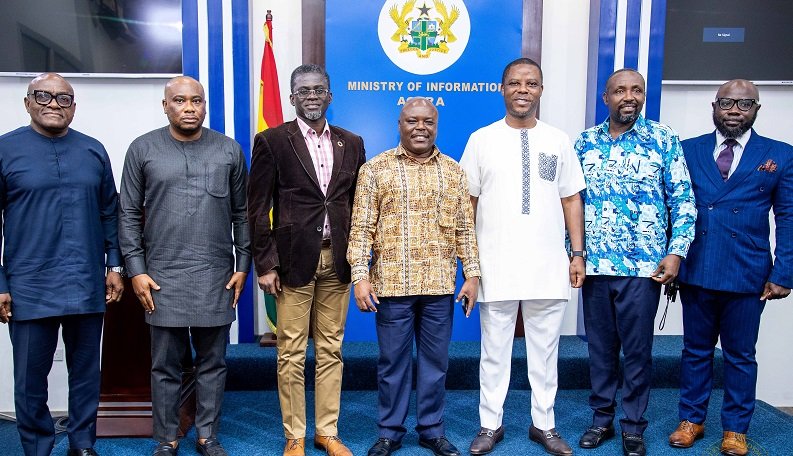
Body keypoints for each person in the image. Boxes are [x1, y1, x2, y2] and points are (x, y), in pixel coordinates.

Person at [459, 57, 585, 456]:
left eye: (531, 83)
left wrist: (577, 254)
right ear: (502, 88)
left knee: (545, 353)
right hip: (495, 264)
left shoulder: (558, 140)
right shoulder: (482, 139)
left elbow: (571, 199)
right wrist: (470, 265)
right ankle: (489, 424)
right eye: (515, 83)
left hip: (548, 264)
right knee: (493, 352)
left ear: (541, 91)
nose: (523, 90)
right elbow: (468, 204)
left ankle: (544, 425)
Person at [118, 76, 250, 456]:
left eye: (196, 101)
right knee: (165, 366)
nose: (189, 108)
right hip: (160, 277)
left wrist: (243, 263)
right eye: (180, 101)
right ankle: (167, 438)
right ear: (165, 106)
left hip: (216, 274)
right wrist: (136, 269)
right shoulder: (142, 149)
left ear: (205, 106)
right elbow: (128, 213)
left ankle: (208, 436)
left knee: (213, 362)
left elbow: (242, 214)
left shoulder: (228, 150)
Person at [347, 97, 481, 456]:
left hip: (439, 285)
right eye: (412, 121)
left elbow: (465, 228)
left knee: (436, 364)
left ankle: (431, 430)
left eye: (428, 122)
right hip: (391, 285)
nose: (420, 128)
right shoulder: (376, 169)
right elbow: (360, 228)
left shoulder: (453, 171)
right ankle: (390, 432)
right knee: (393, 364)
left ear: (436, 125)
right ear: (399, 124)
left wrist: (472, 275)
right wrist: (360, 277)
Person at [574, 69, 696, 456]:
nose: (630, 96)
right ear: (605, 97)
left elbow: (683, 201)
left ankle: (633, 427)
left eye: (637, 90)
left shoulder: (662, 139)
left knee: (638, 351)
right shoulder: (584, 143)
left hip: (644, 269)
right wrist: (572, 254)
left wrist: (676, 251)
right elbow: (570, 204)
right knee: (600, 350)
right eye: (620, 90)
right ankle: (601, 420)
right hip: (595, 267)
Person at [0, 73, 124, 456]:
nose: (54, 104)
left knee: (86, 374)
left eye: (63, 98)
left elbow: (109, 212)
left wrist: (115, 266)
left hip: (87, 281)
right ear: (27, 103)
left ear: (74, 106)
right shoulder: (5, 150)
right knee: (30, 379)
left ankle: (82, 444)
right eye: (43, 96)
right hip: (28, 284)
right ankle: (37, 446)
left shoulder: (93, 150)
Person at [667, 79, 793, 456]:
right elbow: (671, 209)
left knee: (740, 355)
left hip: (748, 273)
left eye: (744, 103)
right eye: (727, 103)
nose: (735, 110)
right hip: (697, 268)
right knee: (695, 350)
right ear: (714, 106)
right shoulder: (688, 150)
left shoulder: (780, 155)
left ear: (756, 109)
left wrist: (783, 272)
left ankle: (735, 429)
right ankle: (691, 419)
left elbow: (788, 217)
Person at [248, 64, 366, 456]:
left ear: (330, 95)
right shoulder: (272, 141)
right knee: (291, 352)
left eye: (319, 89)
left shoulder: (352, 142)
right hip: (292, 263)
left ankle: (327, 431)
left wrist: (361, 259)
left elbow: (358, 205)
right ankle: (295, 434)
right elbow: (257, 208)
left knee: (332, 349)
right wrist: (264, 264)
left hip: (339, 261)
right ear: (291, 97)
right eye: (303, 90)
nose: (311, 95)